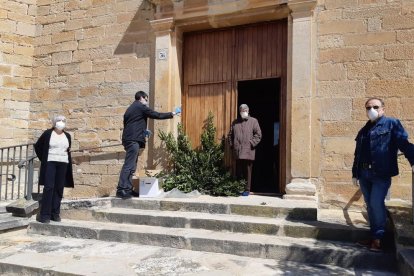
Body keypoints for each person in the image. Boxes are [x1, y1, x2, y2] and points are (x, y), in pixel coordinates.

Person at [352, 97, 414, 252]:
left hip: (380, 173)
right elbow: (358, 153)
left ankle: (378, 238)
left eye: (375, 106)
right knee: (370, 206)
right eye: (368, 108)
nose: (371, 110)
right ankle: (374, 236)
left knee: (376, 204)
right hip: (364, 173)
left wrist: (413, 160)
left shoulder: (392, 124)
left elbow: (404, 143)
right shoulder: (364, 130)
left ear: (383, 109)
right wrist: (355, 173)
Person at [116, 91, 181, 199]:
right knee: (129, 166)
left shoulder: (130, 109)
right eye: (146, 99)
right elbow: (156, 115)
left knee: (132, 166)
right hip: (133, 140)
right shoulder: (140, 106)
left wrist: (143, 131)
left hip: (130, 139)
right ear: (141, 97)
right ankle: (121, 190)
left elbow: (131, 124)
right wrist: (172, 113)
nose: (146, 102)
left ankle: (127, 189)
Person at [34, 115, 74, 223]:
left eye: (63, 121)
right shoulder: (48, 133)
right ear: (54, 122)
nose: (61, 122)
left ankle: (55, 213)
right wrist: (44, 158)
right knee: (49, 187)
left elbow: (67, 149)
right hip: (50, 162)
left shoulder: (67, 136)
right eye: (59, 120)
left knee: (59, 188)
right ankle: (45, 215)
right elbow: (37, 146)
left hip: (63, 163)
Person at [228, 104, 262, 196]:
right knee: (238, 170)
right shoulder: (235, 122)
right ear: (239, 112)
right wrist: (232, 145)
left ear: (248, 111)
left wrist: (251, 143)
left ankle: (247, 189)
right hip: (237, 151)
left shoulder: (253, 121)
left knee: (247, 171)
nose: (243, 112)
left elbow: (258, 135)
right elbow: (230, 135)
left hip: (248, 151)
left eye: (245, 110)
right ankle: (239, 188)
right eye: (242, 111)